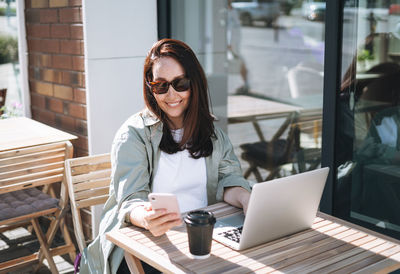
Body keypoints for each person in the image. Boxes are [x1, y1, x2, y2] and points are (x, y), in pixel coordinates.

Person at [79, 39, 251, 273]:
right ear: (150, 87)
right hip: (146, 245)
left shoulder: (212, 134)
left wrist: (246, 199)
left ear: (195, 83)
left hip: (201, 238)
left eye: (180, 83)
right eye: (161, 85)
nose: (171, 94)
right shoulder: (134, 134)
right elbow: (131, 199)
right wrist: (145, 218)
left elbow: (228, 179)